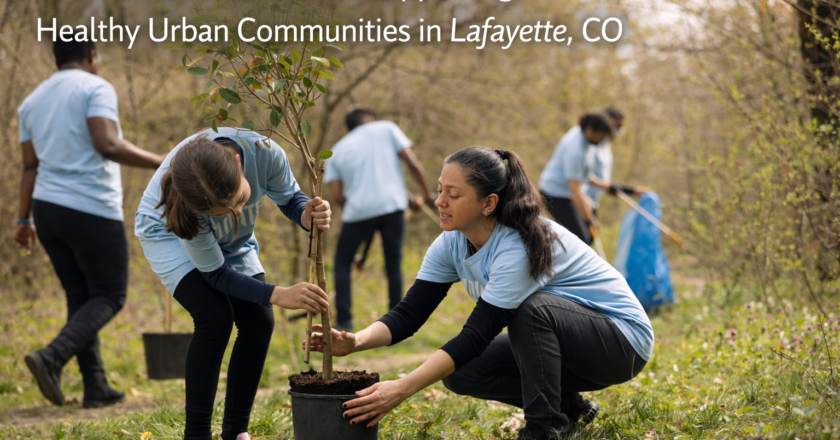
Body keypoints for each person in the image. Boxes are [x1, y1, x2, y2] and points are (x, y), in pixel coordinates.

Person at [308, 146, 654, 440]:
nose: (439, 201)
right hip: (573, 345)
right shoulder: (452, 241)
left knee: (531, 310)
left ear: (489, 203)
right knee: (463, 372)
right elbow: (410, 313)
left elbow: (476, 334)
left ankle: (543, 429)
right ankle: (569, 405)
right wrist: (356, 341)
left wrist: (401, 388)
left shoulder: (518, 245)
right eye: (440, 189)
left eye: (453, 195)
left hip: (621, 344)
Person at [135, 128, 332, 440]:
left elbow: (291, 198)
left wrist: (307, 214)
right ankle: (196, 434)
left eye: (241, 201)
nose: (239, 213)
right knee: (214, 318)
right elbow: (216, 275)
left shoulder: (265, 151)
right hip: (170, 233)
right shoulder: (188, 205)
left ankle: (236, 432)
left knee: (258, 321)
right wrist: (278, 294)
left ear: (238, 162)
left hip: (229, 238)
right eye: (226, 211)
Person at [14, 39, 165, 409]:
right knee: (110, 295)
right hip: (90, 208)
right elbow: (108, 144)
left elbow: (30, 166)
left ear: (57, 58)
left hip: (47, 210)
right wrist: (164, 160)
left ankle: (95, 386)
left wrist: (23, 218)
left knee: (81, 297)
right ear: (92, 56)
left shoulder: (31, 101)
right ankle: (52, 357)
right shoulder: (95, 87)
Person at [326, 108, 435, 331]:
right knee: (393, 263)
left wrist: (359, 208)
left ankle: (344, 321)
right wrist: (426, 195)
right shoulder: (386, 128)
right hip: (392, 208)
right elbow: (412, 164)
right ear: (368, 120)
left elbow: (337, 196)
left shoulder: (336, 151)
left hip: (358, 212)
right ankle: (397, 321)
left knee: (343, 262)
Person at [538, 113, 614, 244]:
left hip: (568, 191)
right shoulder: (575, 151)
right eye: (600, 136)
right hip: (555, 194)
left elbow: (583, 177)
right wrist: (590, 219)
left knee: (589, 237)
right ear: (590, 130)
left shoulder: (586, 139)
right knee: (579, 239)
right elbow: (575, 191)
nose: (601, 140)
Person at [582, 107, 648, 218]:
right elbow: (586, 178)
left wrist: (632, 191)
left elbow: (604, 182)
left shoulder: (605, 146)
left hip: (592, 202)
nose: (615, 131)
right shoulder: (591, 145)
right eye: (614, 126)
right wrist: (631, 191)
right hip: (581, 201)